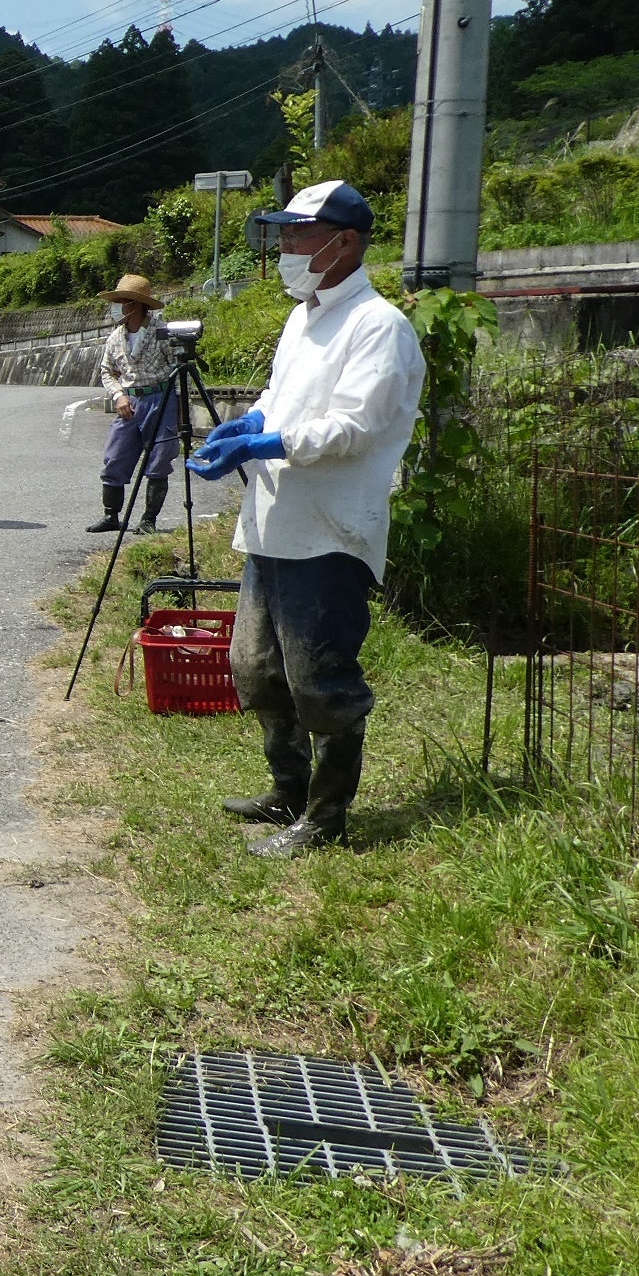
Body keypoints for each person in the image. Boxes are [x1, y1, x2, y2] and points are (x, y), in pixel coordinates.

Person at [187, 181, 425, 859]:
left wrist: (268, 443)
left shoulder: (379, 326)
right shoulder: (304, 317)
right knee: (258, 671)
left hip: (328, 529)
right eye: (284, 233)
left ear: (343, 241)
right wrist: (252, 421)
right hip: (275, 521)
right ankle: (287, 789)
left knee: (320, 679)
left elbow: (353, 427)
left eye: (299, 233)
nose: (287, 246)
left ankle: (326, 818)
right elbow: (280, 395)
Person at [89, 273, 181, 536]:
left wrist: (178, 408)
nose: (118, 307)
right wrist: (118, 395)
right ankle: (111, 516)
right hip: (130, 400)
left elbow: (177, 368)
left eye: (123, 301)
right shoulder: (115, 337)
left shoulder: (162, 332)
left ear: (137, 305)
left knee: (160, 459)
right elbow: (107, 371)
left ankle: (148, 519)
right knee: (115, 456)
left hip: (161, 398)